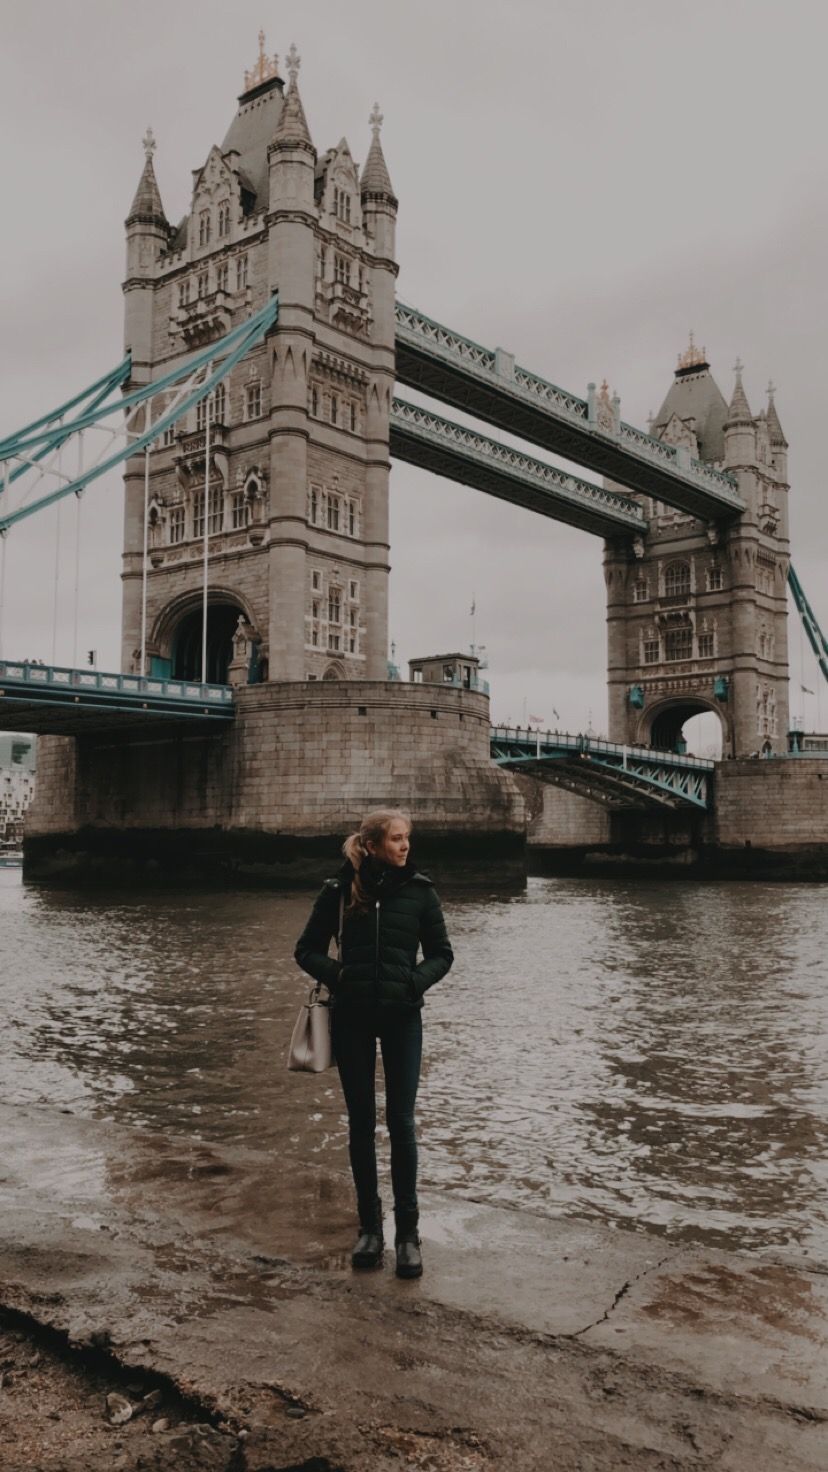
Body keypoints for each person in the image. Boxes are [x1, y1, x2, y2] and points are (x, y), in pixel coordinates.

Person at [294, 809, 453, 1279]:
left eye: (407, 838)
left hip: (403, 1018)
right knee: (361, 1124)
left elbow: (442, 954)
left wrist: (412, 983)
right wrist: (342, 976)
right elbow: (305, 950)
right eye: (396, 839)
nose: (405, 846)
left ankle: (407, 1235)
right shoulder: (338, 891)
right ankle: (370, 1228)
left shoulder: (421, 892)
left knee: (401, 1123)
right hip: (353, 1019)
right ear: (372, 845)